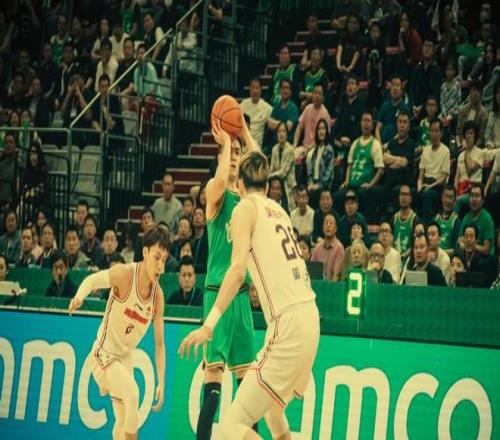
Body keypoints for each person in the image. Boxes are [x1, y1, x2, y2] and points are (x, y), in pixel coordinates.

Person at [179, 151, 319, 440]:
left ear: (240, 184)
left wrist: (208, 325)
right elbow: (256, 161)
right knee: (273, 411)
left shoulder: (244, 209)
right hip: (311, 319)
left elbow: (237, 271)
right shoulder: (278, 209)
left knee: (230, 427)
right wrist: (242, 132)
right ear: (266, 186)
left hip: (286, 324)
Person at [68, 225, 168, 439]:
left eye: (164, 260)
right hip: (103, 353)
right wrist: (79, 297)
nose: (161, 265)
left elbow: (160, 344)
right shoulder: (125, 275)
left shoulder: (158, 296)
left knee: (122, 421)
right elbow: (93, 280)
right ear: (145, 252)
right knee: (132, 393)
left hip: (124, 359)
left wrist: (161, 381)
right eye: (157, 257)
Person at [195, 118, 260, 440]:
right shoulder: (215, 192)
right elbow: (221, 178)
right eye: (231, 153)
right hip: (217, 294)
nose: (236, 157)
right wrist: (225, 145)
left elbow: (258, 167)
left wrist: (244, 133)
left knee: (248, 390)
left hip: (242, 298)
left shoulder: (247, 199)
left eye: (238, 153)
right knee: (214, 383)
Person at [335, 111, 384, 221]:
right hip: (351, 184)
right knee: (337, 196)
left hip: (363, 185)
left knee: (361, 195)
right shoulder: (355, 143)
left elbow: (380, 170)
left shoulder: (375, 144)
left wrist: (371, 184)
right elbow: (349, 165)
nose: (366, 123)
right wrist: (346, 180)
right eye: (364, 120)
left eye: (368, 121)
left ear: (372, 125)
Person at [417, 118, 450, 223]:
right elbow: (420, 175)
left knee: (427, 194)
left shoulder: (445, 151)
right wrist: (419, 187)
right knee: (410, 193)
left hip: (437, 186)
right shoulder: (426, 150)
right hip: (425, 183)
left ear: (441, 133)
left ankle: (427, 224)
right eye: (432, 131)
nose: (434, 134)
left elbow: (444, 178)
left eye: (436, 131)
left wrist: (429, 186)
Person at [382, 110, 415, 213]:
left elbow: (404, 163)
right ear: (396, 124)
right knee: (372, 191)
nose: (402, 125)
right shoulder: (392, 143)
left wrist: (393, 161)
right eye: (400, 122)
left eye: (405, 122)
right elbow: (384, 158)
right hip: (388, 181)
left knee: (396, 191)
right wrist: (399, 159)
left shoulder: (411, 143)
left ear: (408, 126)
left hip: (403, 182)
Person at [454, 121, 484, 216]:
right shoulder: (460, 155)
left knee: (458, 201)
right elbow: (457, 177)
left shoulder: (480, 153)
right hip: (460, 188)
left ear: (475, 136)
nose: (469, 136)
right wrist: (454, 192)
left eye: (471, 133)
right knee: (450, 198)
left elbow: (470, 169)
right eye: (467, 133)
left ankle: (453, 223)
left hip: (473, 190)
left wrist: (466, 149)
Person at [293, 83, 332, 156]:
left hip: (318, 149)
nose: (317, 95)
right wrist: (294, 144)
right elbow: (299, 128)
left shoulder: (325, 114)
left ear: (323, 97)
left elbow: (323, 138)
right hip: (304, 147)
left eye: (319, 93)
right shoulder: (308, 108)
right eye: (315, 93)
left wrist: (309, 149)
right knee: (291, 154)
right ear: (312, 95)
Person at [409, 38, 443, 120]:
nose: (427, 49)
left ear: (434, 50)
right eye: (425, 46)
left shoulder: (437, 70)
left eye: (430, 46)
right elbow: (411, 89)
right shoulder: (417, 68)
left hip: (428, 110)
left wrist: (422, 107)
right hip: (415, 108)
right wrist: (413, 105)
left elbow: (435, 93)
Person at [459, 183, 495, 257]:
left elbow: (487, 250)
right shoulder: (466, 218)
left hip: (483, 257)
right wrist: (462, 244)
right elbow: (460, 239)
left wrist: (470, 245)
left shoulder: (487, 219)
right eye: (472, 195)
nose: (474, 199)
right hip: (469, 255)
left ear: (482, 201)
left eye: (477, 196)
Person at [306, 119, 335, 207]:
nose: (321, 131)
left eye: (323, 129)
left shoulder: (329, 149)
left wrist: (318, 185)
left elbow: (329, 174)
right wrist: (310, 184)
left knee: (314, 195)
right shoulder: (315, 150)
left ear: (326, 131)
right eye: (319, 129)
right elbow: (310, 171)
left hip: (324, 186)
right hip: (313, 184)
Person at [268, 122, 296, 210]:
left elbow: (283, 173)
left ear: (287, 134)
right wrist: (269, 176)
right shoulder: (274, 149)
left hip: (288, 185)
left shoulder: (290, 150)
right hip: (276, 183)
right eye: (279, 132)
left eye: (283, 131)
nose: (281, 134)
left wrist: (269, 176)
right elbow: (271, 169)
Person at [375, 76, 411, 144]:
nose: (395, 88)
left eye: (397, 85)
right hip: (381, 143)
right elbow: (377, 128)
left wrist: (388, 145)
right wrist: (379, 145)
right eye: (393, 85)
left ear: (401, 90)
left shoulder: (405, 108)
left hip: (396, 144)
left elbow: (403, 132)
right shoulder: (385, 105)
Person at [240, 77, 273, 149]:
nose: (255, 90)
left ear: (261, 90)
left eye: (257, 88)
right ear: (250, 90)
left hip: (257, 147)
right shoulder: (243, 105)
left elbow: (273, 121)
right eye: (253, 88)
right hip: (244, 145)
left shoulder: (267, 108)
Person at [311, 213, 345, 281]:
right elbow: (311, 270)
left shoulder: (339, 248)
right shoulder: (318, 247)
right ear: (323, 228)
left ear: (335, 229)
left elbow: (336, 276)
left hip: (331, 285)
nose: (328, 225)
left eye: (331, 223)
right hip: (317, 284)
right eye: (326, 223)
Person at [456, 80, 488, 148]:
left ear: (481, 94)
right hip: (462, 145)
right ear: (469, 92)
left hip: (476, 148)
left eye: (478, 91)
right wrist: (460, 145)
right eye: (473, 90)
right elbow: (458, 132)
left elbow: (481, 138)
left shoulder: (483, 114)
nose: (475, 93)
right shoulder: (463, 110)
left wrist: (470, 148)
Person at [267, 78, 299, 146]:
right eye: (283, 88)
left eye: (287, 88)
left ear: (290, 92)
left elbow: (288, 127)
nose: (285, 90)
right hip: (275, 144)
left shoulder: (293, 108)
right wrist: (282, 123)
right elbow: (269, 124)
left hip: (288, 144)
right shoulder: (276, 107)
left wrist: (276, 123)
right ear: (279, 91)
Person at [392, 185, 420, 259]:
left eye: (406, 194)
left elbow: (417, 244)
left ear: (411, 198)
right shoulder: (394, 218)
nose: (403, 197)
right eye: (402, 194)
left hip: (408, 259)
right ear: (399, 197)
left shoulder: (415, 220)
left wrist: (403, 256)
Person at [434, 185, 461, 257]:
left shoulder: (456, 221)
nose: (448, 200)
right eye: (446, 196)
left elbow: (456, 250)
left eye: (451, 197)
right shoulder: (435, 218)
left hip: (447, 259)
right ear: (442, 198)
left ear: (454, 200)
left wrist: (439, 253)